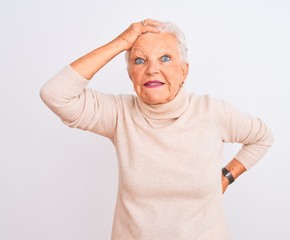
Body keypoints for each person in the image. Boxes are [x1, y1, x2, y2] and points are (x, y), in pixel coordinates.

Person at [40, 18, 274, 240]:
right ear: (131, 74)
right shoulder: (119, 113)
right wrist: (121, 42)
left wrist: (226, 177)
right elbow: (56, 94)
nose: (152, 69)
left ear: (184, 71)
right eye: (140, 60)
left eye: (164, 58)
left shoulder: (212, 112)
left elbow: (262, 137)